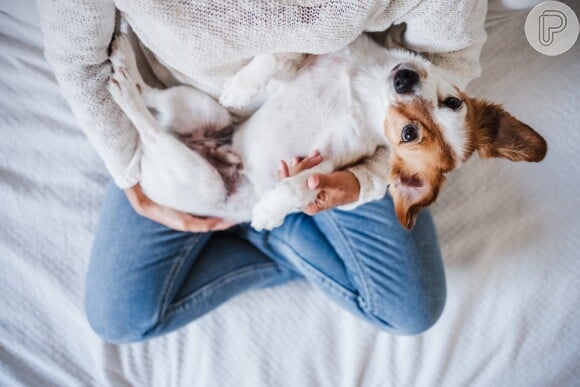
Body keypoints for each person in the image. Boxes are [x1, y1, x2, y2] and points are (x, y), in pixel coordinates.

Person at [38, 0, 487, 343]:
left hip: (348, 116)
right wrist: (129, 171)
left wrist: (360, 181)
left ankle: (262, 221)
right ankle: (265, 223)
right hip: (180, 109)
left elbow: (449, 64)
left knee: (412, 309)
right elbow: (77, 54)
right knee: (118, 316)